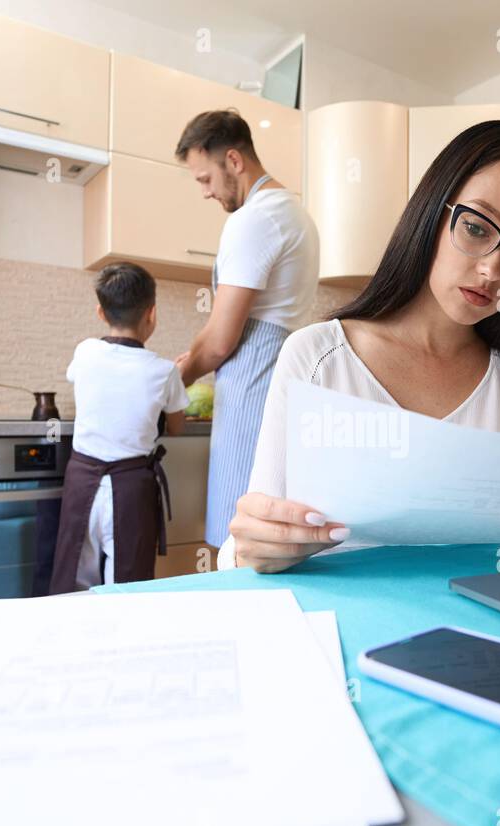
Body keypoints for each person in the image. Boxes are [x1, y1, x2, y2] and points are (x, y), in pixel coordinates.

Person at [218, 120, 500, 573]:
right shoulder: (318, 356)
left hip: (478, 627)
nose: (492, 270)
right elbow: (249, 546)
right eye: (477, 228)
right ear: (432, 215)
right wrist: (247, 550)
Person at [172, 109, 320, 560]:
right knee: (270, 532)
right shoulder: (294, 211)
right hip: (282, 378)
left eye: (204, 179)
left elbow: (220, 339)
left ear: (233, 160)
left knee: (239, 533)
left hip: (254, 382)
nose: (204, 192)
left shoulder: (254, 218)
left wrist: (172, 379)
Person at [49, 263, 188, 592]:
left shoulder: (84, 352)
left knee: (73, 578)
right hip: (130, 489)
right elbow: (177, 426)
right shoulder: (164, 371)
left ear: (100, 311)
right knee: (128, 585)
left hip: (82, 482)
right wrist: (178, 376)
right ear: (151, 314)